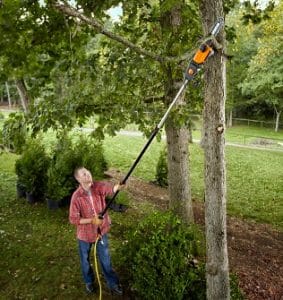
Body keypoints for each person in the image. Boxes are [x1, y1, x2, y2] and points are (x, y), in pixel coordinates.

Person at [69, 166, 124, 296]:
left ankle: (113, 283)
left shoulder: (98, 186)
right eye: (83, 174)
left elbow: (110, 189)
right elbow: (73, 219)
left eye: (88, 172)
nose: (87, 175)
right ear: (78, 179)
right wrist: (92, 220)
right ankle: (88, 282)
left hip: (101, 232)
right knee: (85, 261)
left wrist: (117, 187)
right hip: (85, 235)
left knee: (105, 259)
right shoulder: (76, 197)